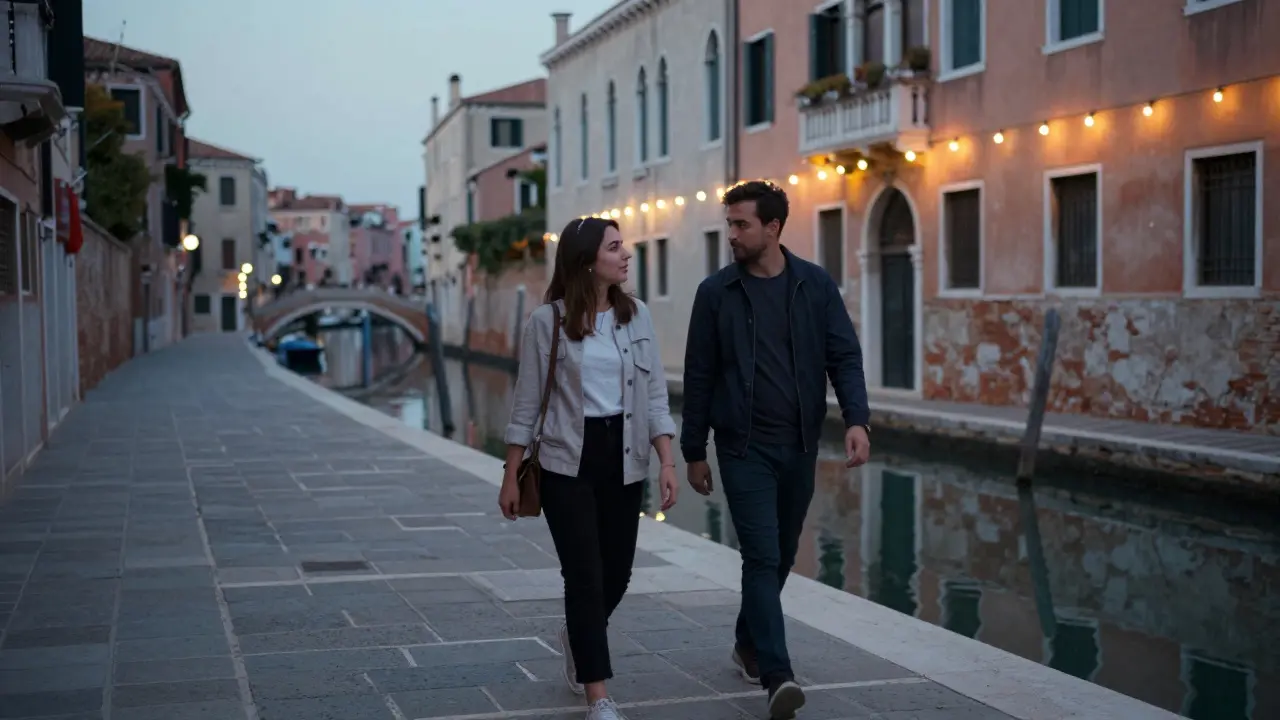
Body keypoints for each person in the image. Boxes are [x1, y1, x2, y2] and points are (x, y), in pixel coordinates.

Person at [680, 180, 871, 720]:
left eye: (741, 224)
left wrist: (857, 419)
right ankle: (777, 676)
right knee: (761, 556)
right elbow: (699, 375)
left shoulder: (815, 285)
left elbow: (845, 358)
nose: (732, 234)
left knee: (782, 556)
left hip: (801, 445)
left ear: (773, 227)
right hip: (743, 447)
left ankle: (746, 642)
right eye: (729, 224)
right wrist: (695, 450)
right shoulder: (715, 293)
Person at [500, 216, 680, 720]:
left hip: (624, 455)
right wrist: (509, 476)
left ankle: (578, 635)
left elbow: (655, 395)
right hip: (565, 459)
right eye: (615, 248)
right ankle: (598, 696)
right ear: (586, 261)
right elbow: (526, 404)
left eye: (624, 247)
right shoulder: (546, 322)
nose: (626, 255)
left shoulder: (636, 315)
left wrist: (667, 459)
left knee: (617, 573)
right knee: (583, 576)